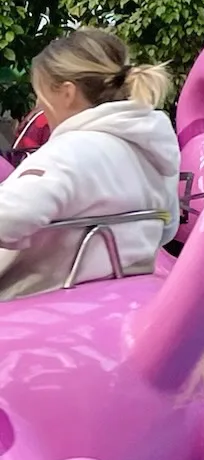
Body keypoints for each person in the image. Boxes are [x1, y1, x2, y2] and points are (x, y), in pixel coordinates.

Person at [0, 29, 179, 301]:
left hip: (37, 305)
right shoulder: (152, 153)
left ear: (67, 93)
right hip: (121, 300)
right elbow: (168, 228)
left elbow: (10, 216)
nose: (39, 105)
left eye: (41, 94)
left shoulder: (70, 152)